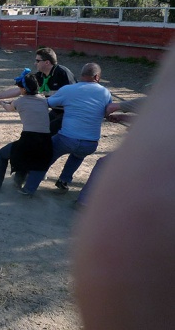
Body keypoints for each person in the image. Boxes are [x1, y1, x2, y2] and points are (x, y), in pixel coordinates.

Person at [72, 47, 175, 330]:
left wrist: (115, 113)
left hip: (154, 159)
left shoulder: (149, 101)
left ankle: (84, 200)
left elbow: (114, 108)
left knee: (105, 164)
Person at [19, 63, 112, 196]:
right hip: (90, 143)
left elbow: (46, 103)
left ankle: (29, 188)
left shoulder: (69, 90)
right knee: (78, 155)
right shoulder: (106, 93)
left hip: (67, 138)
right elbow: (107, 112)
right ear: (97, 77)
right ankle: (64, 180)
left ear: (81, 75)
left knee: (45, 158)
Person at [0, 72, 52, 191]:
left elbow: (9, 108)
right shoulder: (44, 101)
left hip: (29, 138)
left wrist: (2, 103)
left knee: (3, 154)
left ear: (24, 89)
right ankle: (17, 183)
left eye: (20, 88)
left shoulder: (20, 101)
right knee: (24, 155)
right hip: (46, 141)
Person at [75, 97, 146, 207]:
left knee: (104, 164)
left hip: (153, 150)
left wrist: (111, 110)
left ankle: (85, 201)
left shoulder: (158, 99)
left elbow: (112, 107)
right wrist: (123, 117)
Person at [0, 47, 76, 135]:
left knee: (47, 133)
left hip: (69, 113)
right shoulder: (41, 75)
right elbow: (20, 89)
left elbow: (74, 97)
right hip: (56, 111)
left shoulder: (63, 73)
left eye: (37, 61)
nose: (35, 63)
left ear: (47, 62)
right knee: (40, 128)